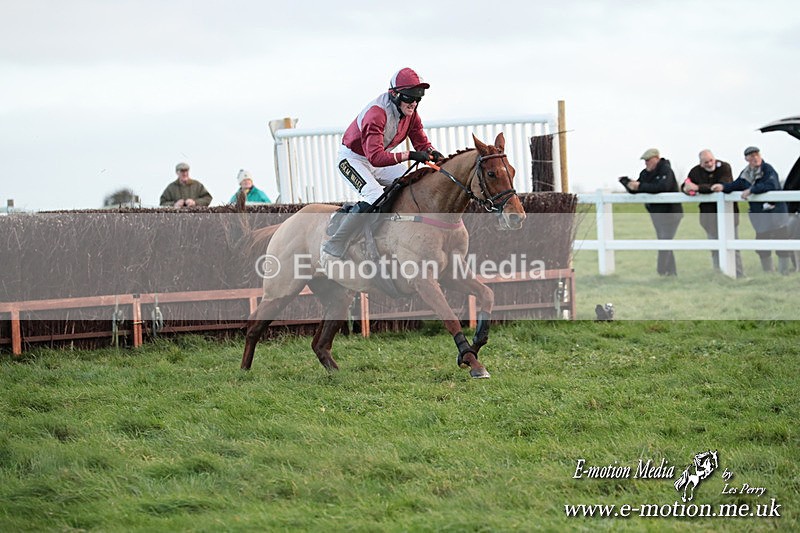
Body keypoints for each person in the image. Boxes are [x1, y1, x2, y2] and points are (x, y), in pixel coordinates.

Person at [320, 67, 444, 264]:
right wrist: (410, 154)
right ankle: (336, 241)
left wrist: (431, 151)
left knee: (408, 183)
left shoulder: (411, 113)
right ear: (394, 94)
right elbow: (376, 157)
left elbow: (420, 140)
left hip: (375, 158)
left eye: (418, 97)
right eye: (410, 97)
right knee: (375, 195)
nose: (414, 103)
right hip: (353, 159)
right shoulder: (376, 114)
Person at [711, 146, 792, 274]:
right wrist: (722, 187)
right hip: (760, 217)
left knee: (782, 244)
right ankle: (769, 274)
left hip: (776, 214)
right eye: (751, 156)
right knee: (762, 246)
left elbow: (772, 185)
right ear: (746, 159)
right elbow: (735, 185)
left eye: (756, 154)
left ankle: (784, 273)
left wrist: (751, 190)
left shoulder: (768, 169)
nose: (755, 158)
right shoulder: (746, 174)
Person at [681, 150, 744, 277]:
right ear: (700, 163)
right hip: (708, 218)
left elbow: (719, 186)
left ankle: (738, 274)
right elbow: (686, 185)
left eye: (711, 161)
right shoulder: (695, 171)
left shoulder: (724, 167)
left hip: (728, 216)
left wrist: (699, 188)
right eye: (706, 162)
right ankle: (719, 274)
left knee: (733, 246)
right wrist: (687, 188)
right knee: (715, 247)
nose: (709, 164)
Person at [622, 148, 684, 276]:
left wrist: (640, 186)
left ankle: (661, 270)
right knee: (664, 240)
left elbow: (662, 187)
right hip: (656, 214)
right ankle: (671, 273)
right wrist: (627, 184)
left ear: (656, 158)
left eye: (648, 160)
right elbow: (638, 188)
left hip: (671, 213)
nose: (646, 164)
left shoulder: (666, 170)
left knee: (664, 240)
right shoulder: (645, 173)